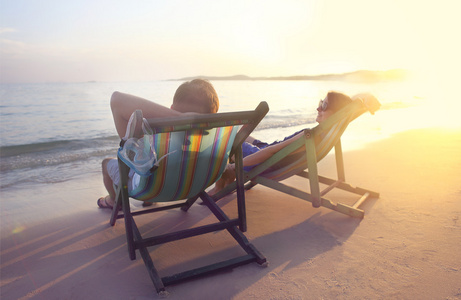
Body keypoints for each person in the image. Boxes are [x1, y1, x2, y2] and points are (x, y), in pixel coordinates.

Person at [98, 79, 220, 208]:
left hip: (147, 188)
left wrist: (178, 118)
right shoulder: (217, 137)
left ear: (171, 109)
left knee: (106, 163)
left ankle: (113, 200)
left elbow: (117, 99)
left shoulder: (155, 134)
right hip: (192, 185)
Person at [208, 91, 354, 196]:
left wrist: (233, 166)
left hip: (262, 161)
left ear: (336, 113)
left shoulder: (310, 137)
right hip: (267, 153)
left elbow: (271, 152)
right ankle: (228, 183)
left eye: (325, 105)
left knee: (227, 139)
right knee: (238, 131)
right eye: (320, 102)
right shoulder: (323, 135)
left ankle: (221, 186)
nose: (318, 108)